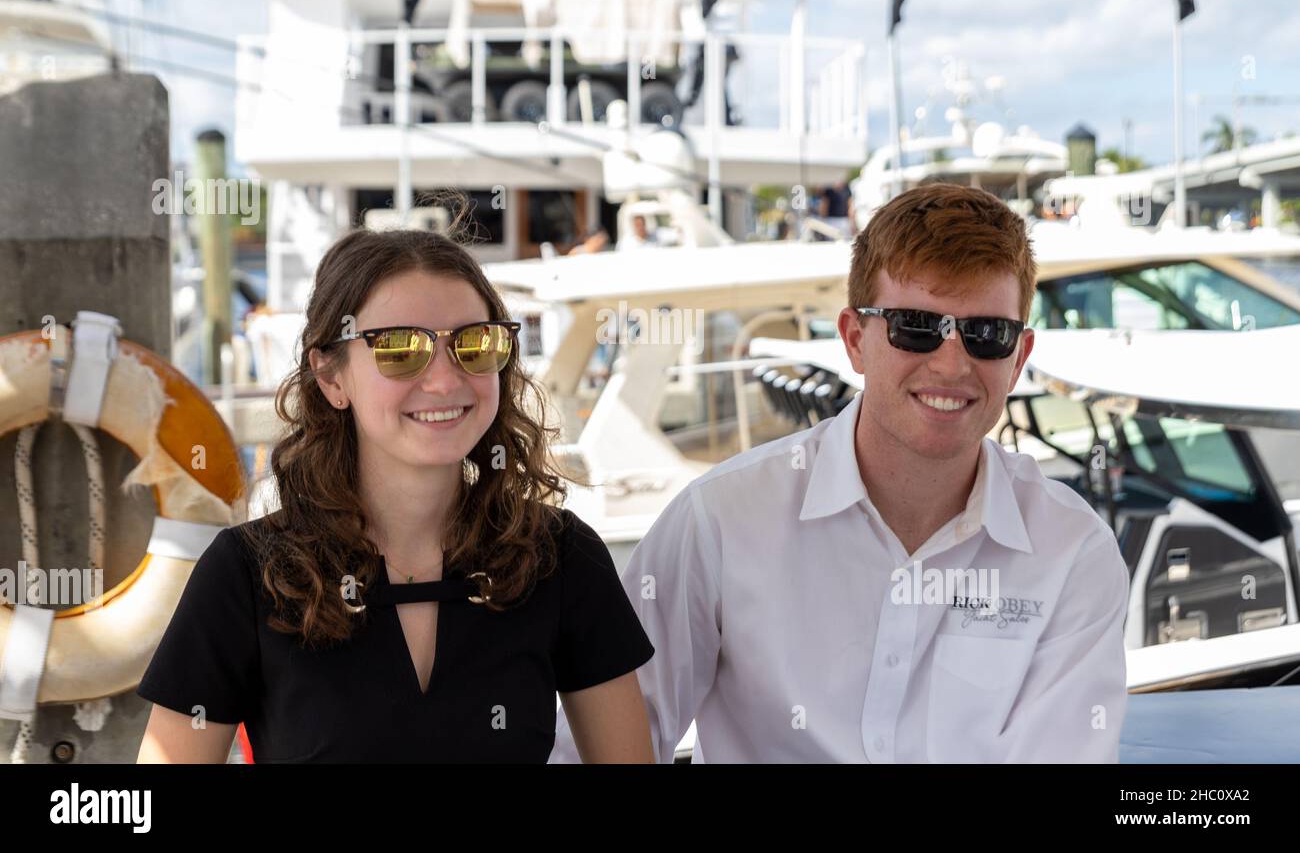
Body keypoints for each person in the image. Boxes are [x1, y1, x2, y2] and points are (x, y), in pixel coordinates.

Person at [552, 183, 1129, 763]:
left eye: (987, 335)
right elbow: (601, 749)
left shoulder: (1073, 553)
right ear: (855, 340)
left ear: (1019, 356)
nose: (952, 364)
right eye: (915, 327)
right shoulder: (721, 522)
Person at [137, 217, 655, 763]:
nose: (445, 379)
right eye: (399, 349)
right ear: (331, 377)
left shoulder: (562, 558)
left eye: (474, 344)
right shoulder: (248, 574)